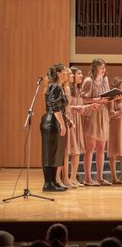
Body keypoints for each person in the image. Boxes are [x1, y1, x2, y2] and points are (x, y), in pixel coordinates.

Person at [81, 58, 112, 186]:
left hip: (103, 114)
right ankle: (87, 178)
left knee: (101, 147)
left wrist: (113, 97)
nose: (104, 71)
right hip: (92, 114)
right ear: (95, 68)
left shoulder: (105, 80)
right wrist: (97, 100)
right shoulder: (89, 81)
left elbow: (108, 96)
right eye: (102, 68)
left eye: (105, 68)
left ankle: (99, 177)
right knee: (90, 147)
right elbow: (82, 99)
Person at [40, 63, 68, 192]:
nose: (66, 73)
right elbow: (54, 106)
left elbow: (61, 107)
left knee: (56, 153)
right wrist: (62, 124)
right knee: (49, 153)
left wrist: (65, 121)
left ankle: (53, 181)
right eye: (64, 71)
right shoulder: (55, 86)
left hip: (55, 120)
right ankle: (47, 184)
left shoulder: (59, 86)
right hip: (51, 121)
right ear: (58, 73)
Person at [66, 66, 87, 187]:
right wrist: (76, 108)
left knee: (77, 151)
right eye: (78, 74)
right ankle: (66, 178)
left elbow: (79, 106)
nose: (81, 76)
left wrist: (87, 107)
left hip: (77, 120)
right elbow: (66, 107)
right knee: (69, 150)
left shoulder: (78, 90)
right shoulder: (67, 88)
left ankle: (73, 177)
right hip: (70, 120)